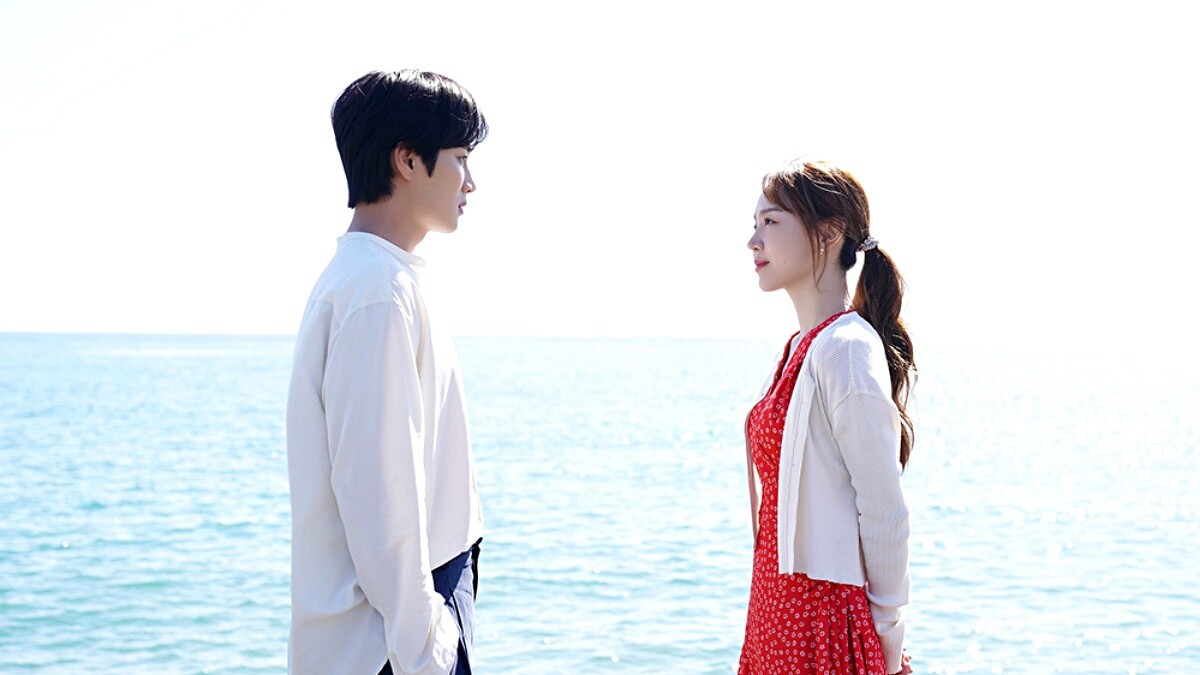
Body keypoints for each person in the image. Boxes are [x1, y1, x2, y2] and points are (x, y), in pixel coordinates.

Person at [286, 70, 488, 675]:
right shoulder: (377, 291)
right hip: (388, 647)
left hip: (395, 631)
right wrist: (428, 650)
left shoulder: (378, 280)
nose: (470, 182)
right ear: (407, 159)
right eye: (459, 158)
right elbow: (379, 493)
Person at [739, 160, 914, 675]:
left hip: (822, 623)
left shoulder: (846, 350)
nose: (753, 240)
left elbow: (885, 510)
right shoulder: (801, 346)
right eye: (755, 223)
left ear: (829, 233)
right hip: (776, 610)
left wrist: (885, 643)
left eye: (771, 222)